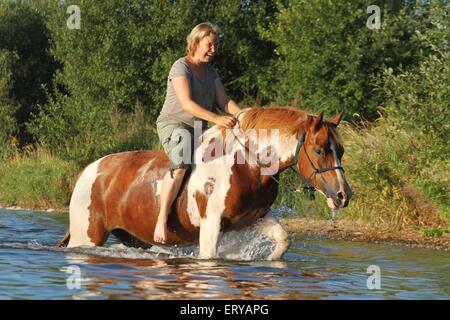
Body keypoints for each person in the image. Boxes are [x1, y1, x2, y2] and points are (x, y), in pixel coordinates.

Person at [154, 22, 241, 244]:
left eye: (216, 45)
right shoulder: (180, 66)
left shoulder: (211, 72)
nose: (214, 49)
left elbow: (224, 101)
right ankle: (161, 219)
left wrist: (245, 117)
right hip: (174, 125)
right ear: (195, 43)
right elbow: (187, 104)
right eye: (209, 44)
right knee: (182, 162)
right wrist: (217, 119)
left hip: (199, 128)